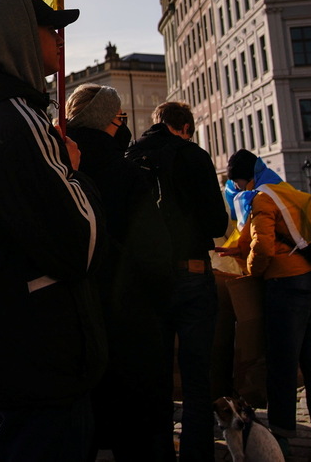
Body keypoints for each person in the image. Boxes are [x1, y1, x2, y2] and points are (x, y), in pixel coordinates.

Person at [0, 0, 103, 461]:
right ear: (18, 37)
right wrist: (74, 171)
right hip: (40, 362)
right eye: (50, 26)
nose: (59, 36)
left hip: (4, 356)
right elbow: (82, 244)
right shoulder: (18, 123)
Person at [65, 84, 174, 460]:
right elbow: (155, 254)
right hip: (129, 320)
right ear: (109, 122)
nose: (123, 124)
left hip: (72, 319)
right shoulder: (126, 174)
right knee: (136, 430)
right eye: (120, 118)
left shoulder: (55, 170)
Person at [125, 100, 228, 462]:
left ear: (158, 122)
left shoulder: (129, 156)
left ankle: (158, 453)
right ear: (185, 127)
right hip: (191, 271)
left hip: (147, 278)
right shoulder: (193, 155)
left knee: (156, 375)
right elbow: (217, 224)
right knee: (197, 373)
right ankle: (197, 454)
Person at [222, 150, 311, 460]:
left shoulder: (262, 198)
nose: (239, 188)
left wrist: (251, 271)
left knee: (282, 364)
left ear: (244, 177)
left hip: (288, 285)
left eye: (237, 181)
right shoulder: (291, 193)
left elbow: (263, 246)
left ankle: (283, 436)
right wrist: (234, 248)